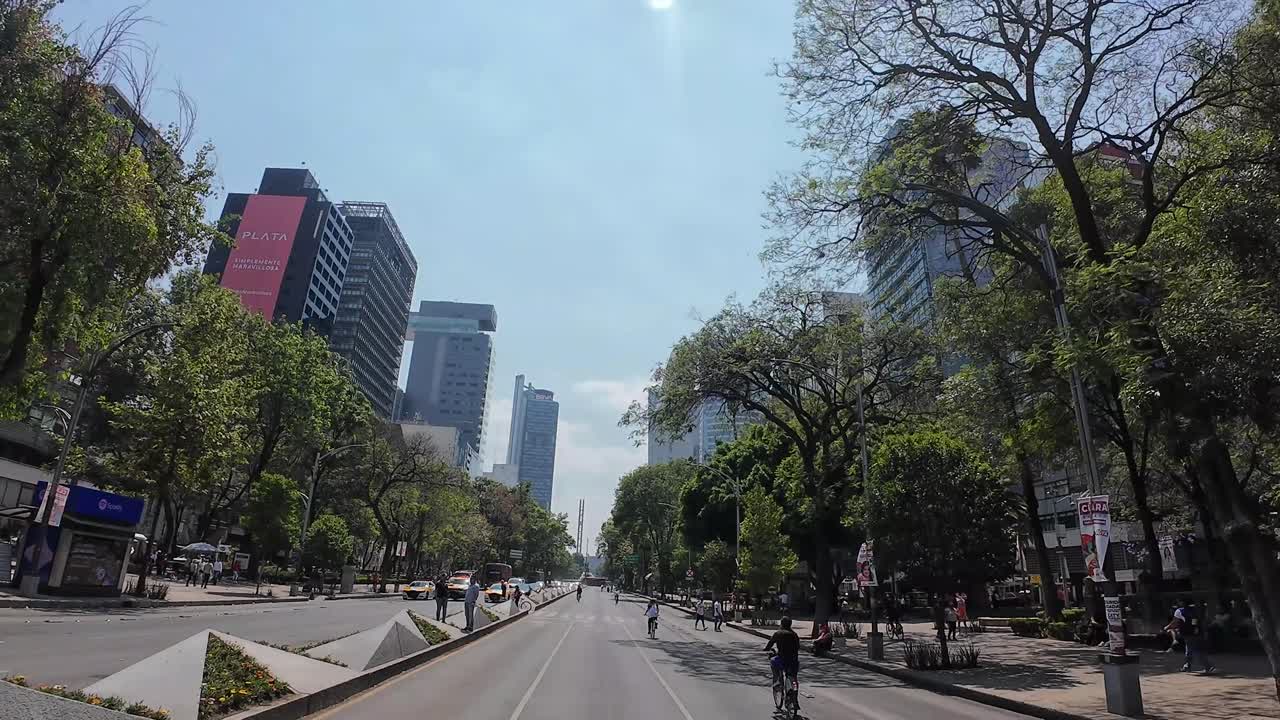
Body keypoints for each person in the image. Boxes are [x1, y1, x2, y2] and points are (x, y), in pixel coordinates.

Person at [1168, 598, 1214, 673]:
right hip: (1197, 632)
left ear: (1182, 603)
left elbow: (1174, 622)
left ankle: (1208, 666)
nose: (1178, 604)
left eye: (1179, 602)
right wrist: (1195, 629)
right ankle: (1187, 665)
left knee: (1194, 650)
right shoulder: (1194, 610)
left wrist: (1166, 627)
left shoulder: (1179, 611)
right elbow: (1195, 621)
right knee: (1191, 648)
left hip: (1188, 633)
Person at [765, 616, 801, 707]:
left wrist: (766, 650)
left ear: (781, 624)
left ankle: (777, 681)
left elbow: (769, 645)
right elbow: (798, 647)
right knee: (793, 678)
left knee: (773, 662)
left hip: (782, 660)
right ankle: (795, 698)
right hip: (793, 660)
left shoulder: (778, 633)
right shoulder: (794, 634)